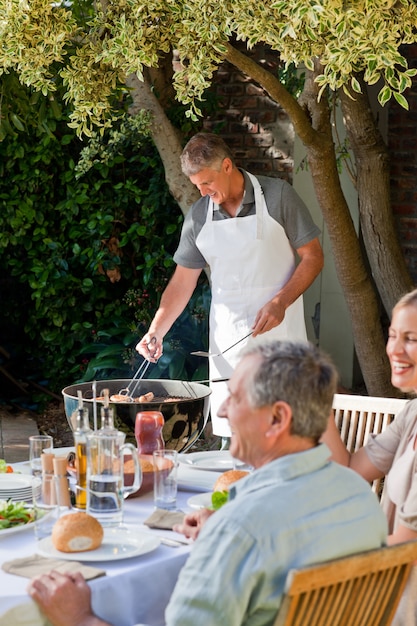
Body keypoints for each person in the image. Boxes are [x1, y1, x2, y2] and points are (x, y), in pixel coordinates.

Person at [27, 340, 387, 626]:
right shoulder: (359, 497)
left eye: (236, 397)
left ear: (277, 418)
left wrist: (79, 619)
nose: (224, 410)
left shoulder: (240, 530)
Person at [136, 132, 324, 438]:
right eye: (197, 186)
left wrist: (281, 302)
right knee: (236, 442)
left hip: (281, 343)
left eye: (206, 183)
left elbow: (313, 257)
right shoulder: (199, 216)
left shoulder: (278, 196)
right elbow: (182, 281)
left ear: (226, 166)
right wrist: (155, 331)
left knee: (285, 435)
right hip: (228, 348)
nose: (202, 192)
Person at [321, 288, 417, 624]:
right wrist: (317, 398)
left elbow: (406, 547)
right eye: (393, 335)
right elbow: (348, 469)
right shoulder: (413, 415)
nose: (394, 349)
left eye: (411, 339)